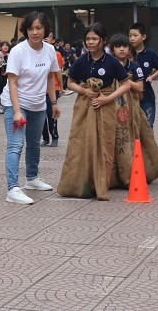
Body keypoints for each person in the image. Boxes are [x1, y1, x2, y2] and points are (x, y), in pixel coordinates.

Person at [59, 22, 130, 200]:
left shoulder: (112, 62)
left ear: (103, 41)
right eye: (88, 39)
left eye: (94, 39)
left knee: (104, 146)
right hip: (84, 107)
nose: (91, 42)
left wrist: (107, 98)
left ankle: (101, 185)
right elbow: (70, 82)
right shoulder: (81, 60)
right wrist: (85, 91)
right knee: (81, 143)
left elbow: (126, 84)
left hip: (106, 106)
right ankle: (81, 184)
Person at [1, 11, 60, 205]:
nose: (34, 32)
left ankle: (32, 179)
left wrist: (54, 103)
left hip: (38, 105)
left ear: (45, 30)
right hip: (15, 103)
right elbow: (13, 83)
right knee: (16, 145)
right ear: (25, 30)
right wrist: (17, 111)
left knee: (34, 144)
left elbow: (50, 77)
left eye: (39, 28)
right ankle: (12, 189)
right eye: (30, 28)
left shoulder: (50, 50)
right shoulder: (18, 51)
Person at [128, 22, 158, 129]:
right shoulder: (127, 53)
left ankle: (148, 146)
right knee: (131, 126)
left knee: (148, 126)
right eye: (130, 36)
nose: (132, 38)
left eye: (135, 35)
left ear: (143, 37)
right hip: (130, 95)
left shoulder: (150, 53)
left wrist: (152, 77)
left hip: (146, 96)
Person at [41, 32, 65, 147]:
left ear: (53, 40)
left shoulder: (56, 54)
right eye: (44, 37)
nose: (45, 39)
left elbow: (58, 71)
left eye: (48, 37)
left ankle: (54, 136)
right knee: (41, 115)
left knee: (51, 113)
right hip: (39, 89)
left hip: (52, 88)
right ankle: (45, 137)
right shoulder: (36, 53)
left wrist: (61, 87)